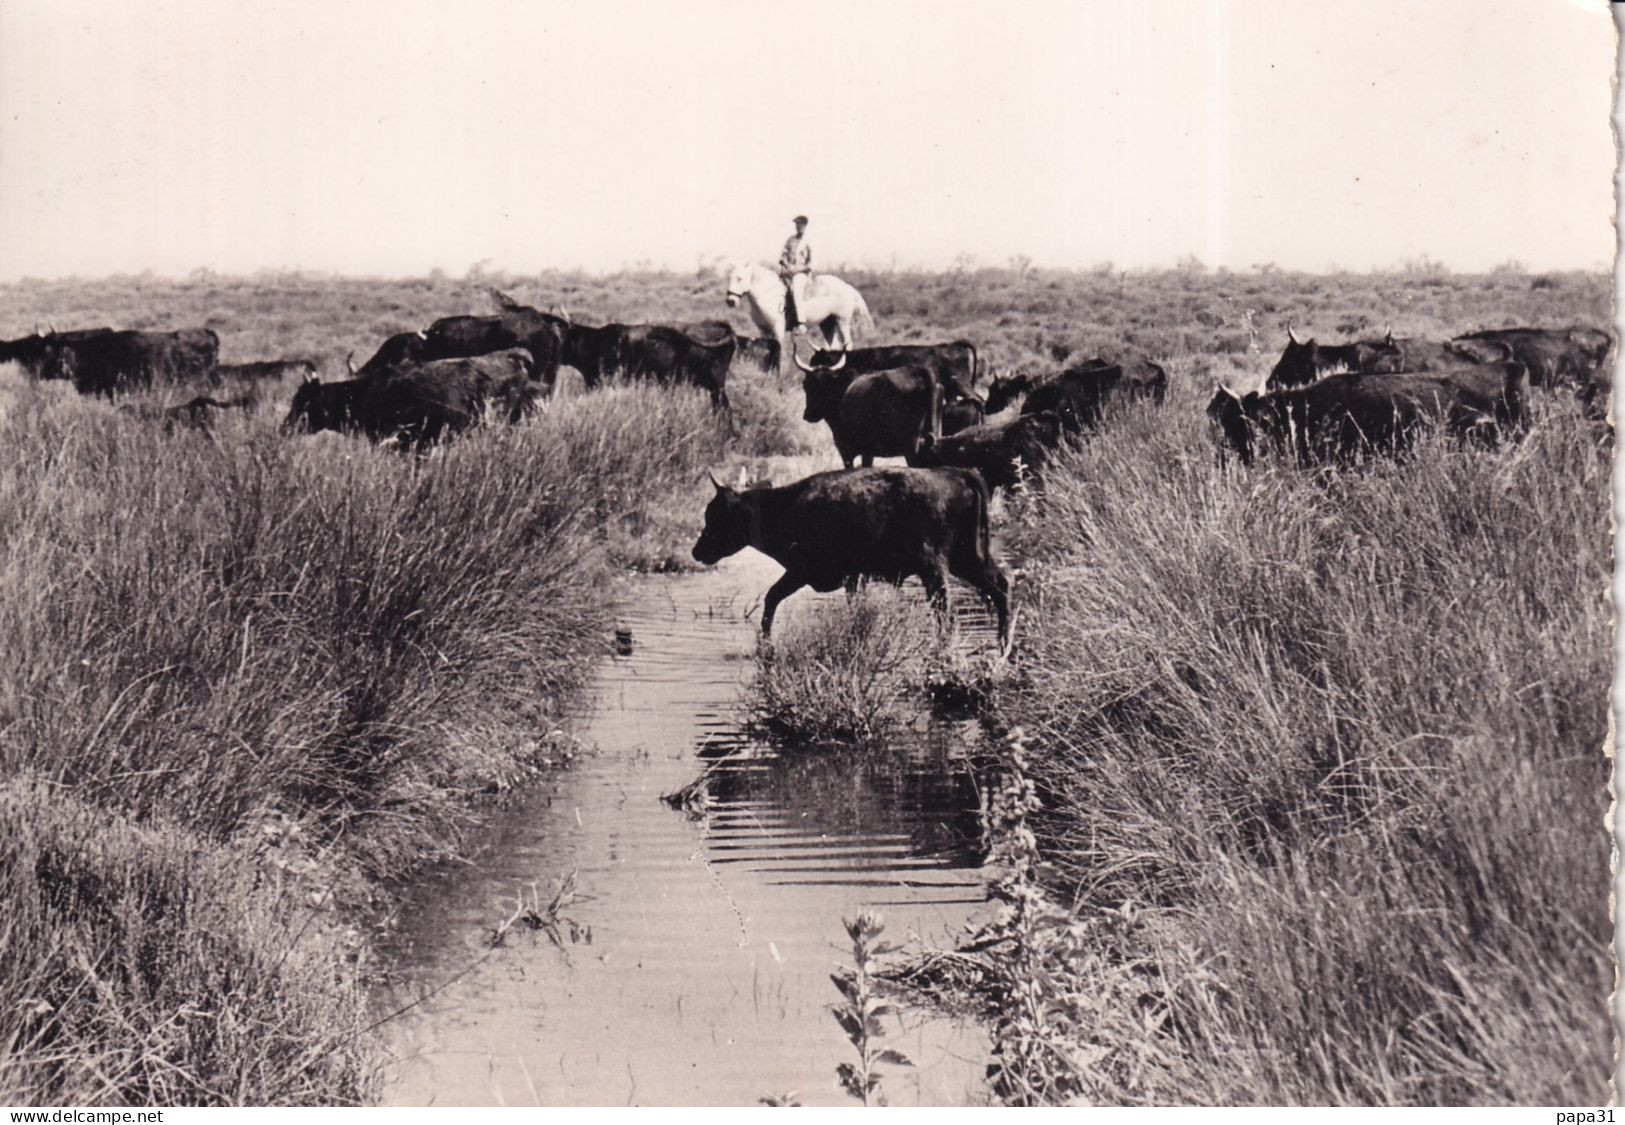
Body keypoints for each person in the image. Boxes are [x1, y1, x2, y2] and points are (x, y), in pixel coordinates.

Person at [778, 215, 812, 331]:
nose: (799, 227)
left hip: (802, 273)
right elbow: (783, 254)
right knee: (778, 289)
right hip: (788, 271)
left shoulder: (809, 241)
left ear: (805, 226)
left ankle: (801, 321)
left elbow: (812, 263)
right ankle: (782, 317)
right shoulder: (790, 240)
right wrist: (785, 265)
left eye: (801, 225)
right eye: (797, 225)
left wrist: (797, 270)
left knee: (796, 288)